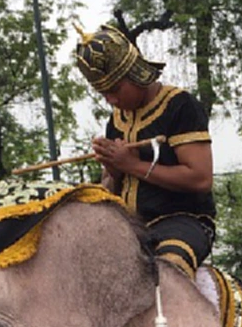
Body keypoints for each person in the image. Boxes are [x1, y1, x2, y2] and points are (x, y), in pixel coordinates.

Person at [75, 23, 214, 279]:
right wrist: (113, 171)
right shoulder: (116, 120)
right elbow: (110, 188)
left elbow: (201, 178)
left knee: (165, 272)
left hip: (182, 221)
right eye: (103, 94)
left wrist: (133, 166)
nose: (112, 100)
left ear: (135, 73)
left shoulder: (179, 106)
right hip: (130, 229)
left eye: (115, 89)